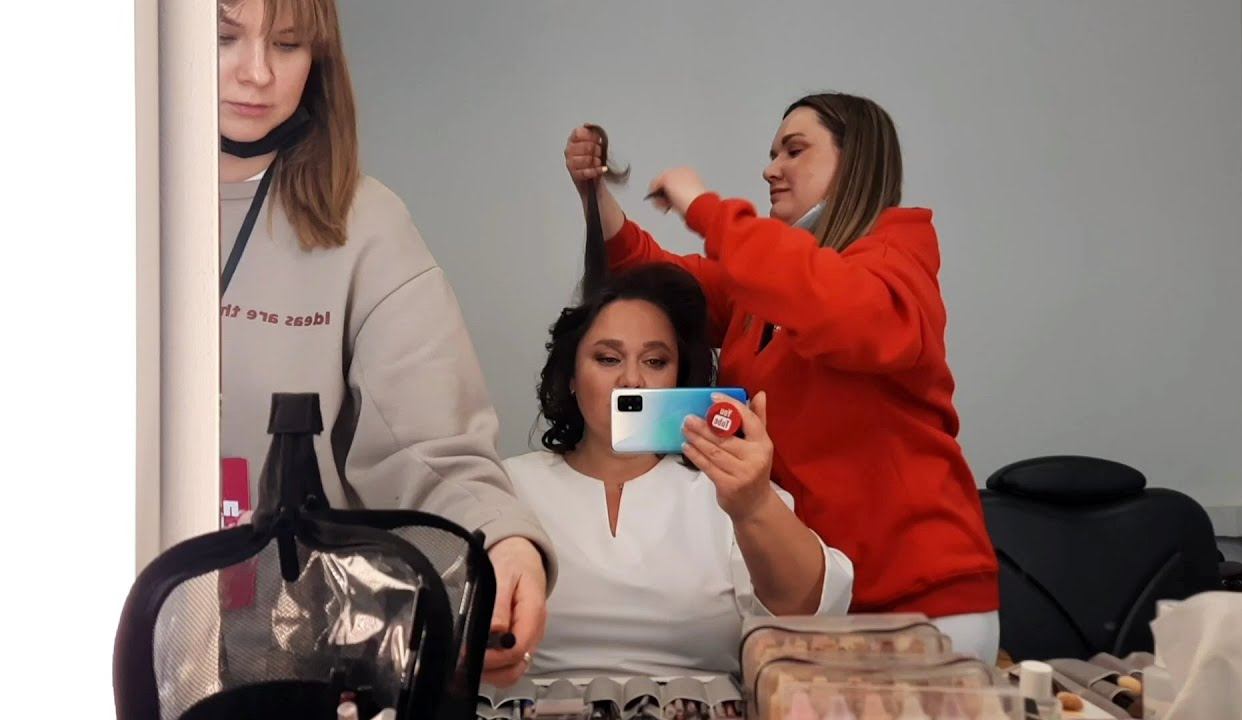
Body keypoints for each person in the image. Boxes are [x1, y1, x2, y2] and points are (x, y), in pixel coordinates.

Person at [561, 93, 1000, 663]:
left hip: (918, 598)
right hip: (815, 594)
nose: (771, 169)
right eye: (772, 154)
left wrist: (706, 208)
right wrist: (596, 197)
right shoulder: (759, 296)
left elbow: (826, 302)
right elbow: (663, 284)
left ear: (856, 161)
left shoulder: (897, 258)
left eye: (794, 151)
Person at [217, 0, 551, 684]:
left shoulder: (363, 223)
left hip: (281, 665)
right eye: (224, 37)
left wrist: (499, 540)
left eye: (287, 44)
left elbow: (428, 445)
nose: (256, 73)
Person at [505, 263, 854, 677]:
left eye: (655, 361)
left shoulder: (727, 487)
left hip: (700, 702)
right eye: (608, 358)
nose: (631, 380)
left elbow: (810, 614)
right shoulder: (506, 487)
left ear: (678, 379)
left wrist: (755, 504)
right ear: (572, 378)